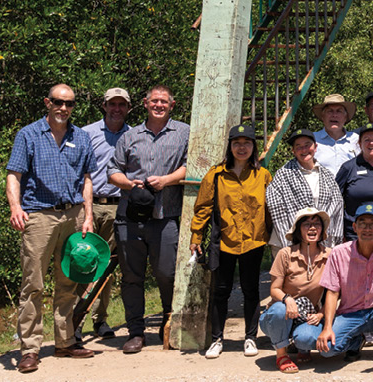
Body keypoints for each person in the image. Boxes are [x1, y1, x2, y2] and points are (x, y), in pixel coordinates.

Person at [6, 84, 99, 372]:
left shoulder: (81, 137)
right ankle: (30, 349)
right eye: (58, 102)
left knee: (70, 280)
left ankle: (65, 342)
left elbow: (86, 179)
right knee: (33, 283)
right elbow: (14, 174)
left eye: (69, 104)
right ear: (47, 102)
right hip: (39, 216)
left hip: (72, 215)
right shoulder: (28, 135)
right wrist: (15, 208)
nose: (63, 108)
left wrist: (88, 215)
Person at [108, 85, 189, 354]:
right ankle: (135, 332)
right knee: (132, 276)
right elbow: (113, 170)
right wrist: (130, 184)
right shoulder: (129, 136)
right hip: (130, 217)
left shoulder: (184, 133)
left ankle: (169, 322)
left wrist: (166, 180)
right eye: (154, 101)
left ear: (172, 104)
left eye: (164, 101)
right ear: (145, 103)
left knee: (167, 274)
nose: (158, 105)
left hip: (165, 216)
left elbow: (194, 165)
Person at [189, 124, 273, 359]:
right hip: (223, 240)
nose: (242, 147)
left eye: (247, 143)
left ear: (253, 147)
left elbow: (272, 208)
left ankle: (250, 337)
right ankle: (217, 339)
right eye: (237, 143)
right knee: (221, 290)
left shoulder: (262, 175)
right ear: (230, 146)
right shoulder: (215, 174)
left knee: (250, 289)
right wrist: (196, 236)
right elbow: (203, 208)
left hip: (253, 241)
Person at [313, 204, 373, 370]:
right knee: (327, 350)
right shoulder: (338, 252)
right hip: (350, 315)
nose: (367, 228)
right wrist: (327, 328)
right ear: (354, 227)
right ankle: (356, 340)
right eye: (362, 223)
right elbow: (332, 292)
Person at [79, 87, 131, 340]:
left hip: (118, 205)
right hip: (88, 205)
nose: (117, 109)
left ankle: (100, 320)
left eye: (122, 105)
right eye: (113, 104)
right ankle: (75, 319)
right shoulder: (85, 133)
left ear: (129, 108)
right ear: (104, 106)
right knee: (82, 261)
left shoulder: (133, 135)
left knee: (106, 266)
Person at [259, 207, 330, 374]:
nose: (312, 228)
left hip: (306, 315)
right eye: (307, 224)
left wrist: (321, 314)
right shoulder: (285, 254)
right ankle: (281, 355)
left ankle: (300, 346)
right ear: (298, 229)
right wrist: (287, 299)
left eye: (317, 224)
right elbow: (274, 289)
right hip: (279, 314)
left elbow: (335, 293)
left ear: (322, 229)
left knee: (307, 338)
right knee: (279, 310)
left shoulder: (329, 256)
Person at [268, 129, 346, 255]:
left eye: (307, 145)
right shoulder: (282, 175)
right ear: (293, 151)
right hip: (288, 241)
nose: (304, 150)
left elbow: (337, 203)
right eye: (298, 147)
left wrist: (327, 234)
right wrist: (292, 240)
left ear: (315, 147)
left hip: (321, 242)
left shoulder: (326, 175)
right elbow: (276, 206)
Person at [312, 94, 360, 180]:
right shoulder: (313, 139)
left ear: (345, 117)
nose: (334, 115)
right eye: (330, 111)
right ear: (323, 117)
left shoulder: (356, 140)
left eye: (339, 111)